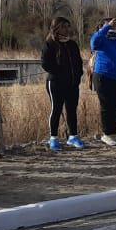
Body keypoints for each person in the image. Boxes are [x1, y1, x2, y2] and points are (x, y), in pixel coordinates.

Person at [41, 17, 85, 152]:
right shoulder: (49, 44)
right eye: (64, 26)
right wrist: (60, 73)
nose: (67, 29)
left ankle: (73, 136)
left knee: (71, 110)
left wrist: (77, 76)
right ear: (56, 28)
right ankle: (53, 138)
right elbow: (45, 64)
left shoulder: (72, 44)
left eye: (68, 26)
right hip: (55, 83)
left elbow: (78, 62)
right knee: (56, 110)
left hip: (72, 84)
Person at [89, 16, 116, 147]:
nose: (113, 28)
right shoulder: (100, 41)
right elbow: (93, 43)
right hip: (104, 77)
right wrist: (106, 27)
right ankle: (108, 134)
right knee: (107, 106)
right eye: (110, 25)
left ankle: (112, 133)